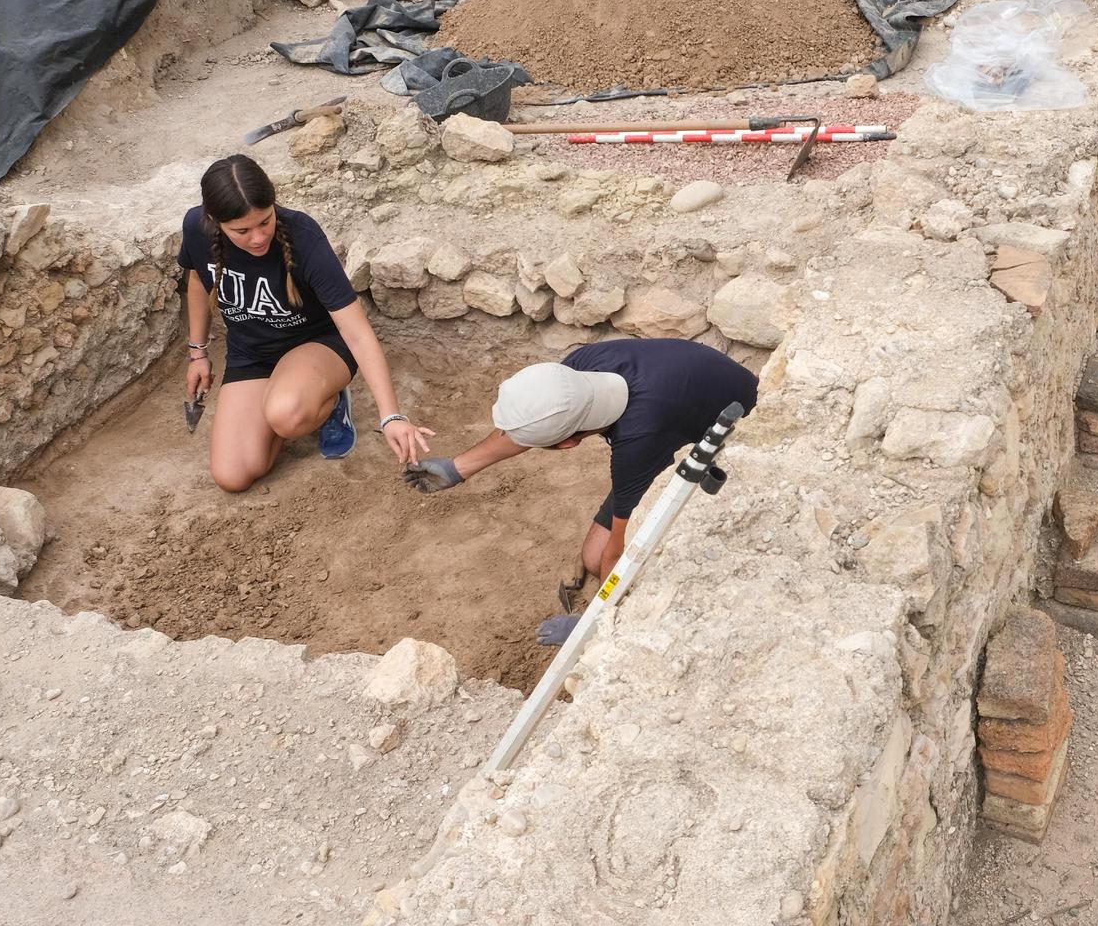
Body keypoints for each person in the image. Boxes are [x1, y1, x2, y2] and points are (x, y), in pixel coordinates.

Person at [408, 337, 758, 641]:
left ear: (567, 445)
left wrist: (595, 621)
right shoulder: (578, 370)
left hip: (742, 441)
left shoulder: (638, 443)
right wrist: (458, 467)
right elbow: (536, 420)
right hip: (693, 399)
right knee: (594, 557)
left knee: (599, 558)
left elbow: (621, 552)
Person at [181, 153, 432, 492]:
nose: (257, 238)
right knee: (234, 476)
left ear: (273, 203)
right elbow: (198, 280)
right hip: (252, 354)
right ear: (214, 220)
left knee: (286, 414)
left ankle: (325, 399)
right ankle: (279, 401)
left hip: (317, 346)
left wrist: (391, 416)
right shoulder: (195, 228)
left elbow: (356, 332)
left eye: (265, 222)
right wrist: (198, 353)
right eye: (241, 230)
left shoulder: (304, 237)